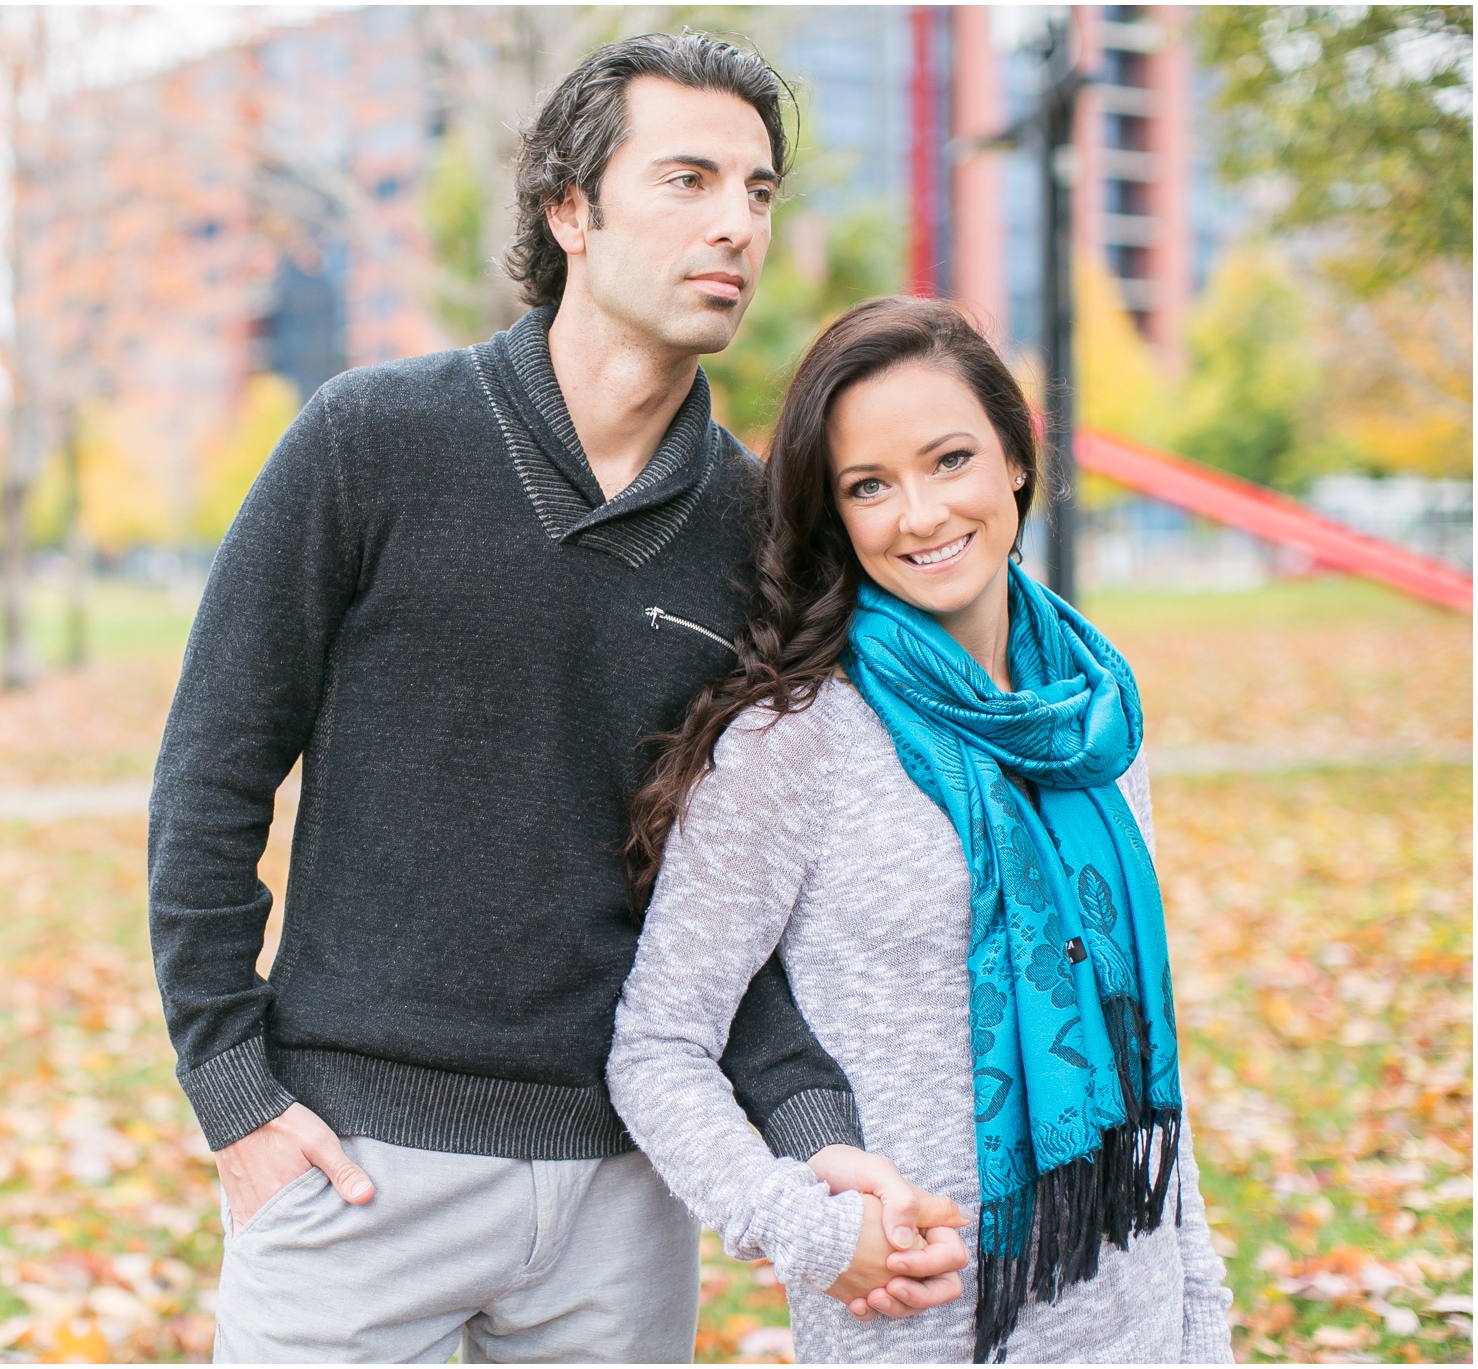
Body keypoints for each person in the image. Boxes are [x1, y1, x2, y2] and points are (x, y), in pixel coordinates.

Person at [149, 34, 967, 1365]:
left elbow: (742, 903)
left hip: (625, 1195)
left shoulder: (762, 534)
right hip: (356, 1175)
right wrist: (232, 1090)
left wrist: (817, 1137)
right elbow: (210, 777)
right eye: (688, 180)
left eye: (757, 193)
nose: (734, 226)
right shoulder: (371, 442)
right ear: (568, 210)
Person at [608, 295, 1236, 1363]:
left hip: (1131, 1319)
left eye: (948, 460)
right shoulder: (795, 741)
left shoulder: (1092, 719)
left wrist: (1199, 1313)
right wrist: (802, 1228)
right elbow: (655, 1048)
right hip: (920, 1326)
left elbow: (1131, 1041)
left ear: (1015, 460)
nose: (919, 514)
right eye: (868, 486)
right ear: (835, 516)